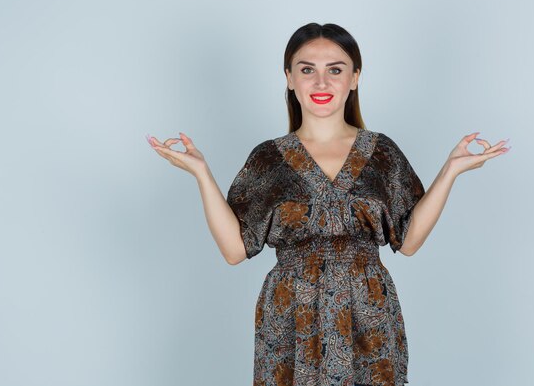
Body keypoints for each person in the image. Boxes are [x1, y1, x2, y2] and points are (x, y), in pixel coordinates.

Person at [147, 22, 509, 386]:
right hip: (291, 316)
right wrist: (201, 173)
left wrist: (450, 171)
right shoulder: (269, 159)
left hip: (367, 314)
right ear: (289, 78)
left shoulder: (380, 152)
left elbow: (409, 241)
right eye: (308, 70)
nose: (321, 83)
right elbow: (235, 250)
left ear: (354, 78)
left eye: (335, 70)